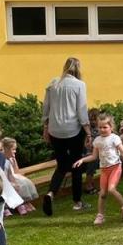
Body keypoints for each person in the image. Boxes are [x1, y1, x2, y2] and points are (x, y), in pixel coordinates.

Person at [40, 57, 90, 217]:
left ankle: (51, 193)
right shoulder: (79, 85)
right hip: (73, 129)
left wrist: (45, 127)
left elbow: (46, 107)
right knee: (76, 165)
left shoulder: (53, 83)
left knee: (61, 165)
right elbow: (82, 110)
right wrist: (88, 131)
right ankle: (77, 201)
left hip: (55, 130)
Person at [72, 112, 123, 225]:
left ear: (111, 127)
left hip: (115, 167)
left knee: (111, 189)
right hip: (104, 170)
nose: (102, 129)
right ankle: (100, 216)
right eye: (100, 127)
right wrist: (82, 160)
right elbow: (94, 156)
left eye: (105, 127)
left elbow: (122, 150)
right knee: (102, 193)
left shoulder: (114, 138)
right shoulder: (97, 141)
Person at [0, 137, 39, 214]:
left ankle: (26, 202)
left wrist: (14, 161)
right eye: (13, 149)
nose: (15, 151)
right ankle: (18, 205)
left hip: (13, 176)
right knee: (16, 185)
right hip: (6, 178)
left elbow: (16, 171)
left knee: (25, 183)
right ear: (6, 149)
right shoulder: (2, 160)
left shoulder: (11, 159)